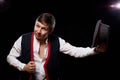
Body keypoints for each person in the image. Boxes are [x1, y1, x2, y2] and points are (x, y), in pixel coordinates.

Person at [6, 13, 106, 80]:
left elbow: (76, 51)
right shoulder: (23, 38)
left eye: (44, 28)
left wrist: (95, 50)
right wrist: (23, 67)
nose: (39, 31)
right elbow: (10, 57)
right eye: (37, 26)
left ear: (50, 30)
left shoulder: (57, 41)